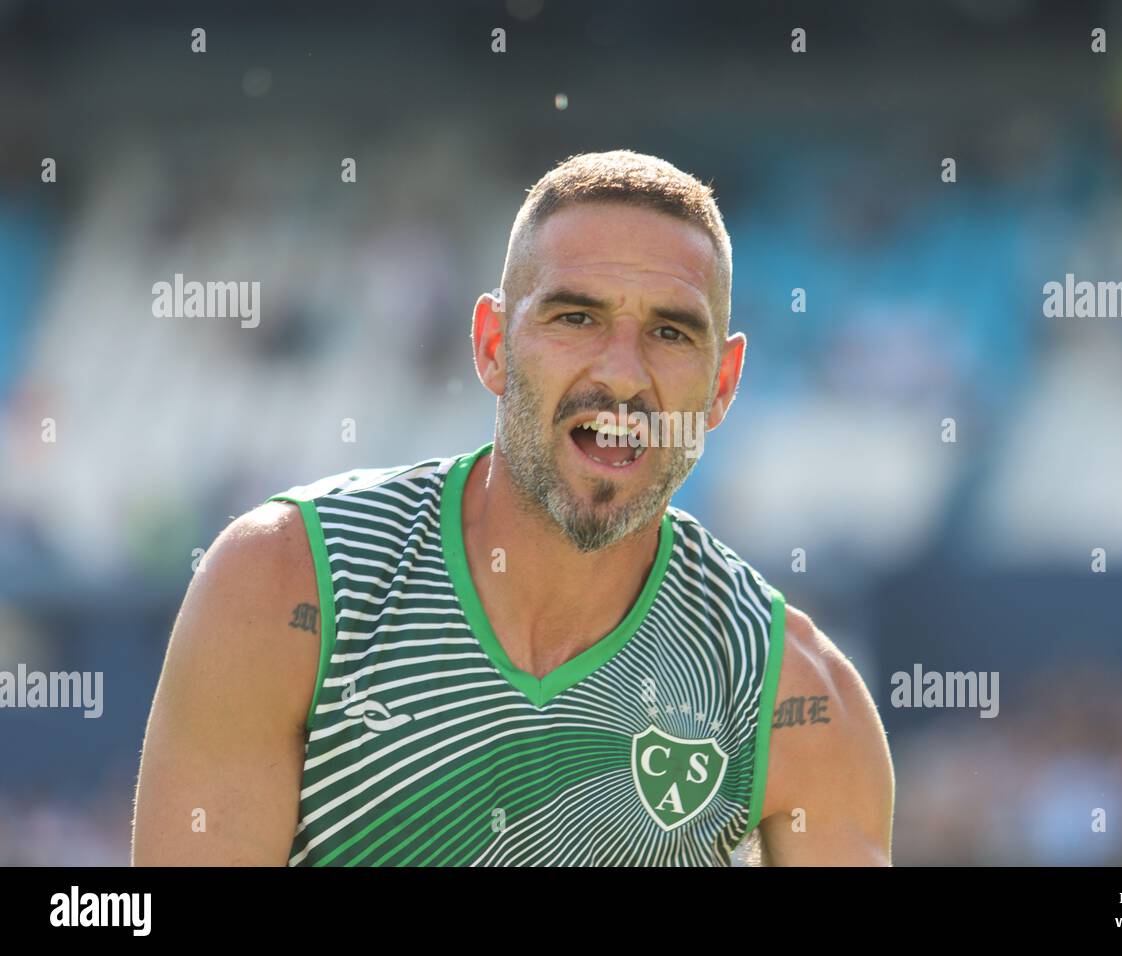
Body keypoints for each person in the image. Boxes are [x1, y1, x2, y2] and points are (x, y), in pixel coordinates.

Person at [132, 149, 894, 866]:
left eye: (669, 332)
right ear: (493, 344)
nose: (623, 374)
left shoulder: (793, 699)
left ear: (723, 383)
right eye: (576, 318)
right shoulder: (282, 585)